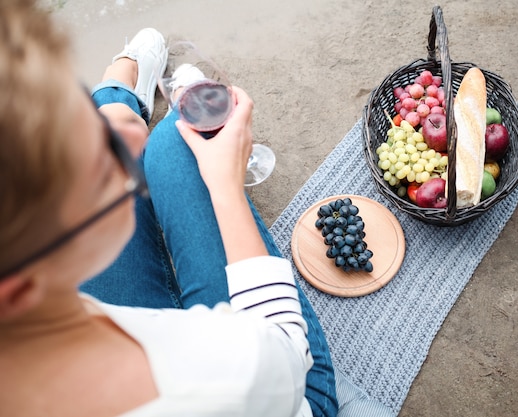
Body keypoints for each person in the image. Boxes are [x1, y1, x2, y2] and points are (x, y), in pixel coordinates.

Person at [0, 1, 332, 416]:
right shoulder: (233, 374)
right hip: (284, 385)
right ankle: (115, 93)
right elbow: (284, 348)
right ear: (18, 291)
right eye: (106, 161)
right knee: (175, 140)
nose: (129, 137)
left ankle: (115, 96)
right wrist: (225, 187)